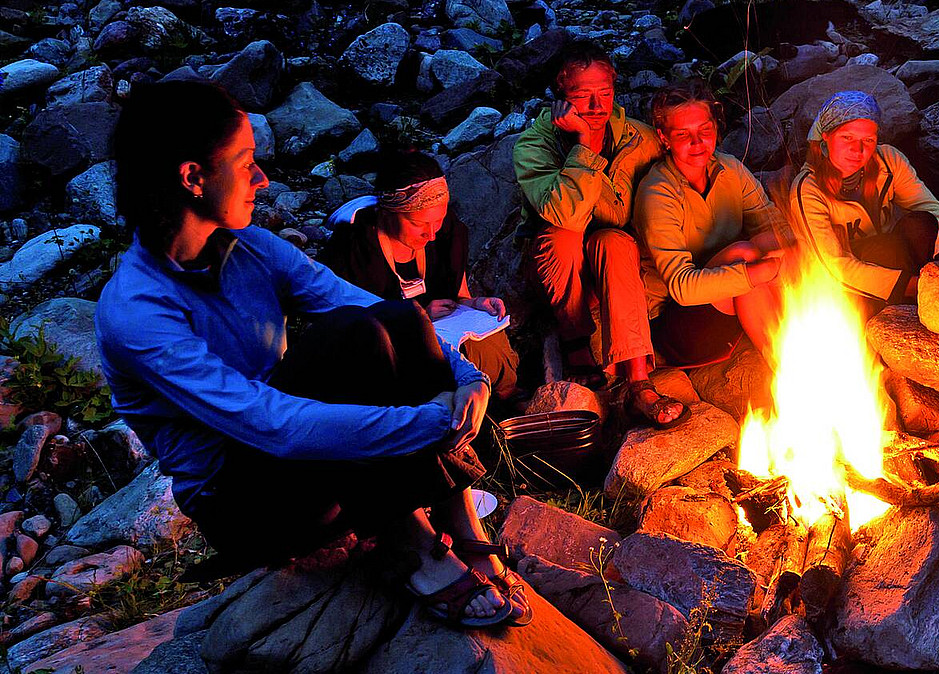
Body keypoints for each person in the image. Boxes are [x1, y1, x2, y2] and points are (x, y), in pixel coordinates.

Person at [95, 81, 532, 629]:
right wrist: (429, 422)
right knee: (359, 340)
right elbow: (270, 424)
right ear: (192, 177)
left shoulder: (250, 246)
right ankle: (412, 546)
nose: (263, 179)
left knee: (385, 321)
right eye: (246, 162)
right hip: (247, 501)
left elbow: (372, 306)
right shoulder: (138, 312)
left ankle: (460, 521)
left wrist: (466, 375)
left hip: (307, 460)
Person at [514, 41, 686, 427]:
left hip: (616, 266)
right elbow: (567, 215)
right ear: (560, 99)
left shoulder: (638, 138)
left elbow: (683, 170)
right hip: (560, 271)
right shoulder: (533, 146)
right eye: (582, 95)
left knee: (615, 240)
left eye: (604, 93)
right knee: (561, 232)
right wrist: (586, 144)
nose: (596, 107)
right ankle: (575, 342)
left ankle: (639, 384)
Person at [321, 150, 520, 406]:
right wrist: (418, 317)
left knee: (484, 340)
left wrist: (476, 304)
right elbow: (345, 328)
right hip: (387, 354)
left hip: (447, 338)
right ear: (388, 212)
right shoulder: (354, 248)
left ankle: (503, 403)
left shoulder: (449, 232)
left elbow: (459, 295)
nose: (431, 234)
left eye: (437, 221)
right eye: (419, 224)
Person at [635, 79, 787, 365]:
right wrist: (763, 271)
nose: (697, 142)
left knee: (773, 242)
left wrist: (790, 254)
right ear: (665, 138)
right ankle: (781, 362)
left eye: (704, 130)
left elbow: (771, 225)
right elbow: (681, 286)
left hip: (731, 306)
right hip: (680, 325)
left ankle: (792, 339)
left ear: (716, 127)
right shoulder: (658, 191)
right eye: (683, 135)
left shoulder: (730, 168)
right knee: (745, 253)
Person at [785, 90, 939, 309]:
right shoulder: (808, 189)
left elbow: (932, 208)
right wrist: (915, 286)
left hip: (895, 261)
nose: (858, 150)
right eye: (847, 137)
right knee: (884, 250)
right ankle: (911, 305)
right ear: (826, 137)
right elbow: (833, 266)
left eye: (868, 140)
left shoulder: (888, 160)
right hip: (846, 289)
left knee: (922, 223)